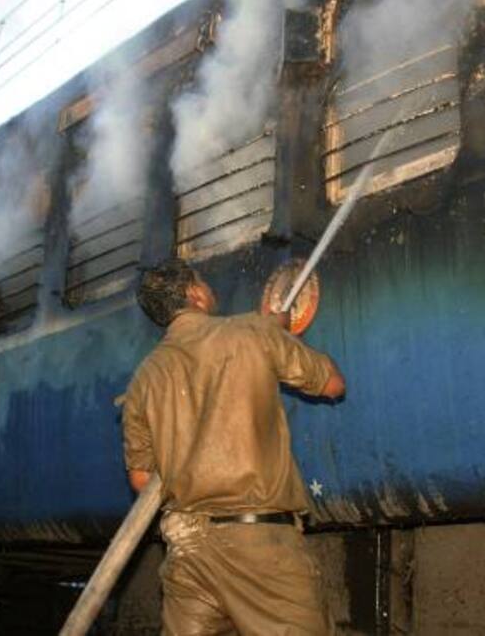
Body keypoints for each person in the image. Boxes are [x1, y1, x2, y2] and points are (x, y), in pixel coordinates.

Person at [121, 258, 346, 635]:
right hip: (258, 548)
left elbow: (142, 480)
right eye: (204, 283)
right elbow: (333, 385)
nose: (210, 289)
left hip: (188, 553)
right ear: (195, 294)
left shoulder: (143, 378)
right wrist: (279, 336)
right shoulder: (251, 333)